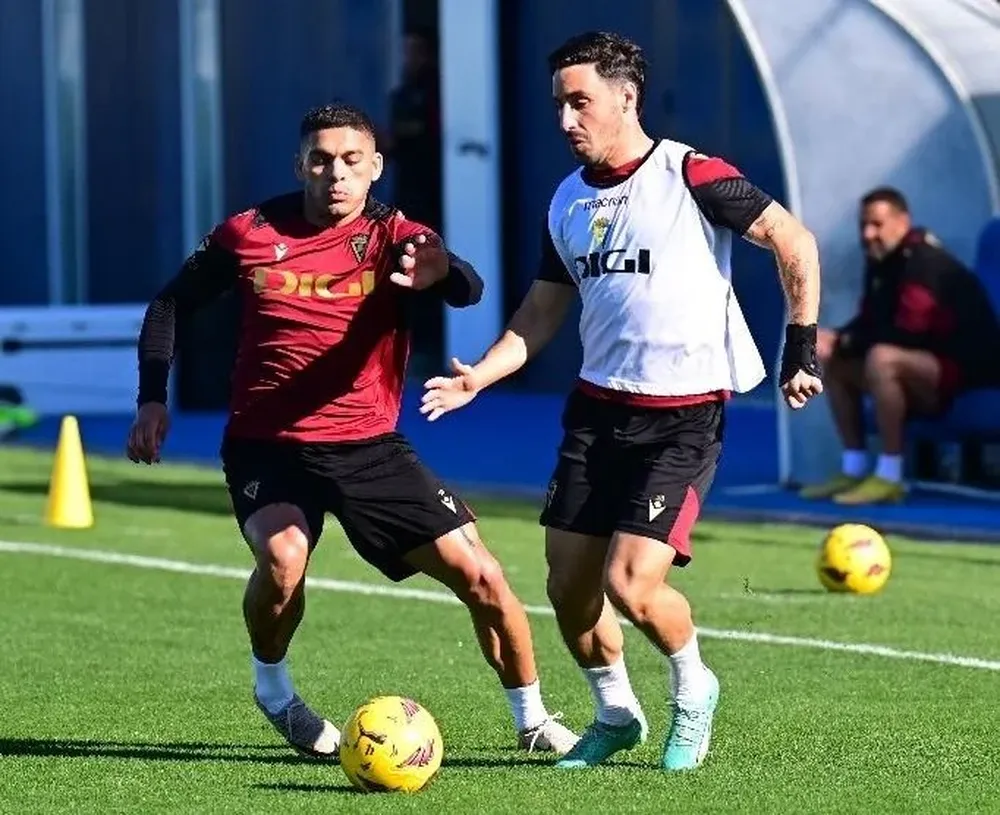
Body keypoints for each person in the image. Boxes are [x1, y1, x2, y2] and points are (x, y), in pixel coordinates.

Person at [420, 31, 823, 772]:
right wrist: (483, 372)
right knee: (570, 593)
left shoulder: (691, 173)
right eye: (559, 105)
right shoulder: (567, 199)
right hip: (596, 415)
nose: (566, 119)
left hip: (684, 418)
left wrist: (800, 345)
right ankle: (616, 713)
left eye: (581, 102)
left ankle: (695, 687)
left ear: (626, 97)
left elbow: (794, 241)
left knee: (631, 584)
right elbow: (543, 310)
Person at [126, 103, 577, 759]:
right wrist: (151, 399)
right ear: (299, 164)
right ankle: (274, 691)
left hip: (368, 447)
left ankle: (533, 719)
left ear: (375, 167)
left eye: (351, 160)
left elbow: (467, 287)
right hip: (267, 445)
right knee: (282, 562)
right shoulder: (248, 232)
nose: (335, 173)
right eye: (320, 159)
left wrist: (441, 271)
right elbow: (170, 302)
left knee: (481, 574)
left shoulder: (396, 234)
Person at [799, 187, 1000, 505]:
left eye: (877, 225)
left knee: (883, 359)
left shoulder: (924, 264)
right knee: (832, 356)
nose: (868, 234)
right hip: (925, 371)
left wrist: (847, 340)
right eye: (864, 225)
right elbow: (869, 321)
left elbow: (909, 333)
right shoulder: (882, 262)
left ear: (902, 222)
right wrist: (835, 339)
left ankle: (891, 475)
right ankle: (853, 468)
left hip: (966, 377)